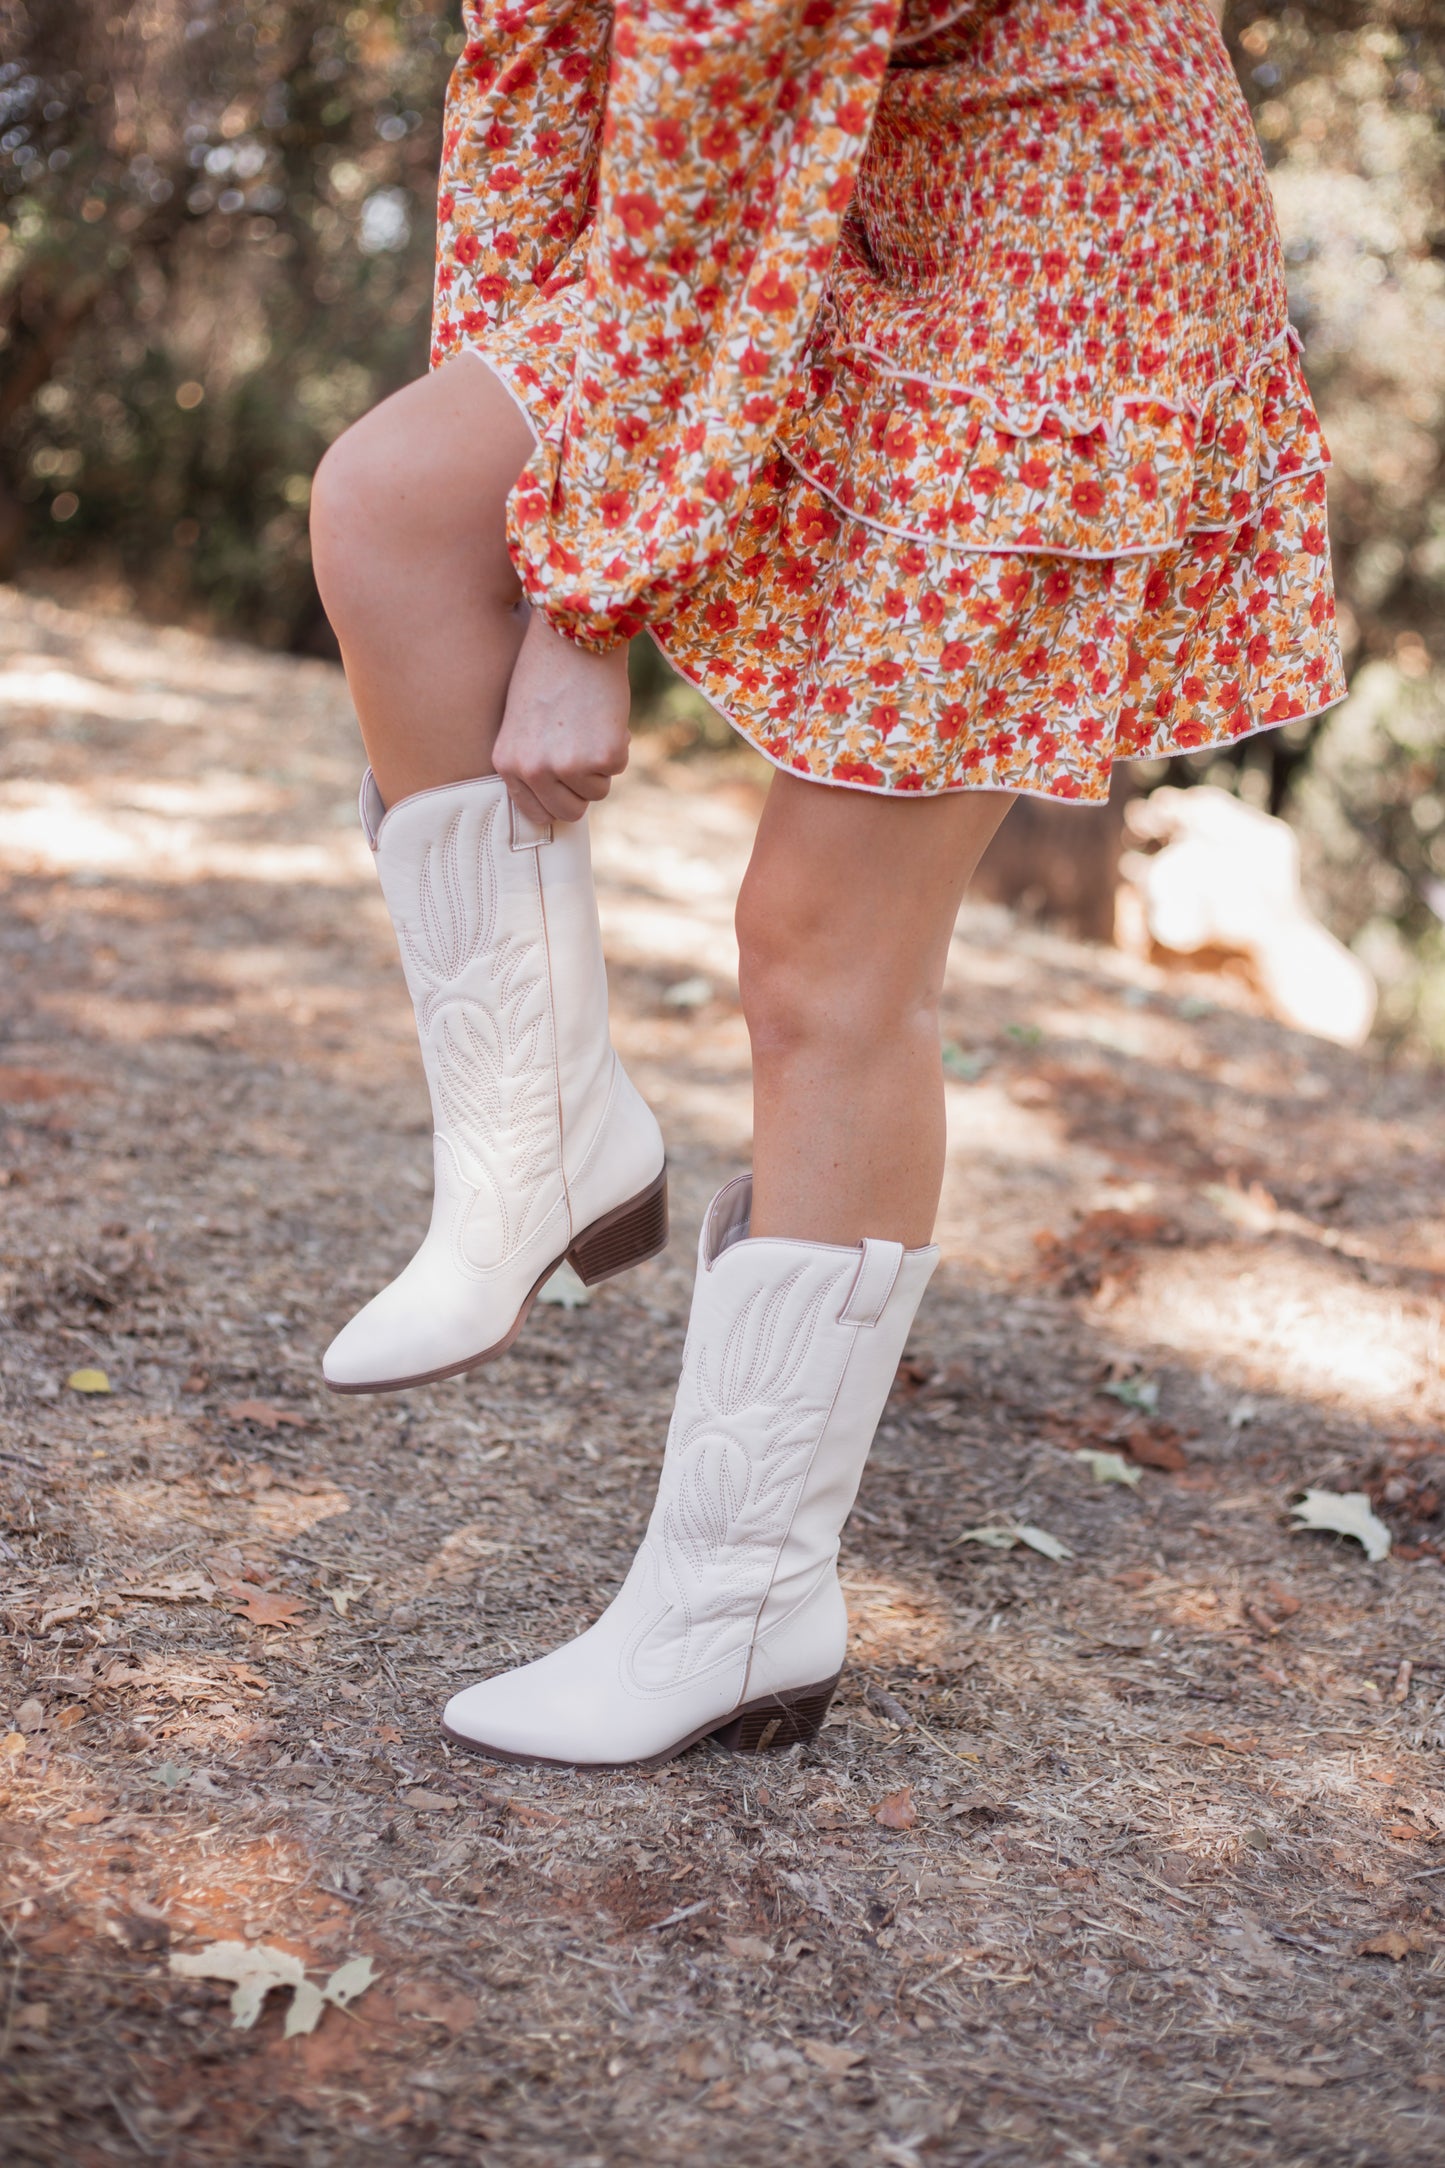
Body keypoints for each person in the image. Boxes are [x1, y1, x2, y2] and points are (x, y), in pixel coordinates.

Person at [308, 0, 1346, 1768]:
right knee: (398, 500)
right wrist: (539, 523)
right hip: (831, 182)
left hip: (1055, 236)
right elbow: (538, 127)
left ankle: (740, 1600)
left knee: (821, 954)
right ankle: (534, 1146)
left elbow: (705, 182)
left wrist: (584, 605)